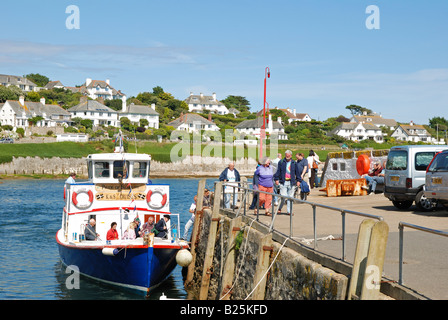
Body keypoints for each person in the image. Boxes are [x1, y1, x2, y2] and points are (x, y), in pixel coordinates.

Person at [274, 150, 297, 215]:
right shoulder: (281, 162)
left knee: (290, 197)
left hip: (291, 182)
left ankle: (289, 211)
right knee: (283, 197)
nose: (287, 156)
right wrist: (276, 179)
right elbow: (278, 171)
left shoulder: (294, 163)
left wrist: (298, 180)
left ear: (291, 156)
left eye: (289, 155)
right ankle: (280, 207)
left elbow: (297, 172)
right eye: (286, 155)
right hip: (283, 182)